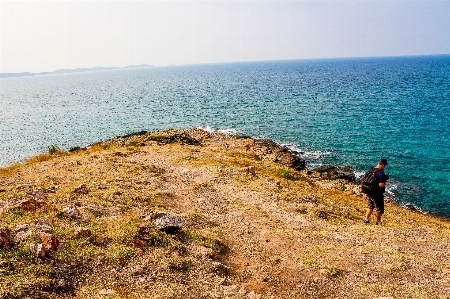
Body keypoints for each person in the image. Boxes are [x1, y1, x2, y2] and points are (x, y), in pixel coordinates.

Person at [363, 157, 389, 225]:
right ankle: (378, 222)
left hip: (368, 191)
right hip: (376, 193)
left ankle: (366, 219)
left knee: (370, 205)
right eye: (385, 165)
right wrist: (386, 182)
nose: (385, 167)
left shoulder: (371, 169)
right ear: (382, 165)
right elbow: (381, 185)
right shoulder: (380, 173)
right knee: (379, 208)